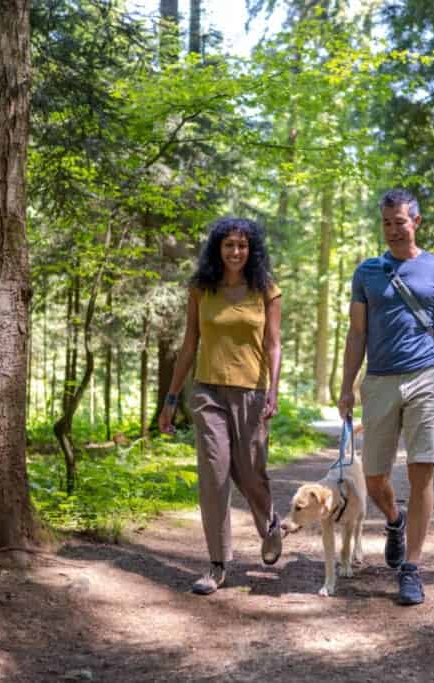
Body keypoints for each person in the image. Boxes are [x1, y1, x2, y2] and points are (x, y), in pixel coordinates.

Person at [337, 189, 434, 606]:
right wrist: (346, 386)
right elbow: (357, 333)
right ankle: (394, 520)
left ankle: (411, 568)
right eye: (387, 223)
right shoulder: (367, 272)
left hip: (425, 378)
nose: (393, 229)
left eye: (400, 221)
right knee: (374, 478)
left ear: (417, 222)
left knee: (421, 472)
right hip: (377, 381)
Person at [159, 216, 284, 596]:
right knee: (214, 475)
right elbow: (189, 343)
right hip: (207, 392)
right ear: (218, 248)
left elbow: (274, 345)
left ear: (252, 250)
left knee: (249, 473)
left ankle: (271, 524)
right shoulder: (201, 288)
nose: (235, 251)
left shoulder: (266, 290)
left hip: (250, 391)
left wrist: (273, 391)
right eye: (228, 245)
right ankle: (217, 562)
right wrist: (171, 397)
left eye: (242, 245)